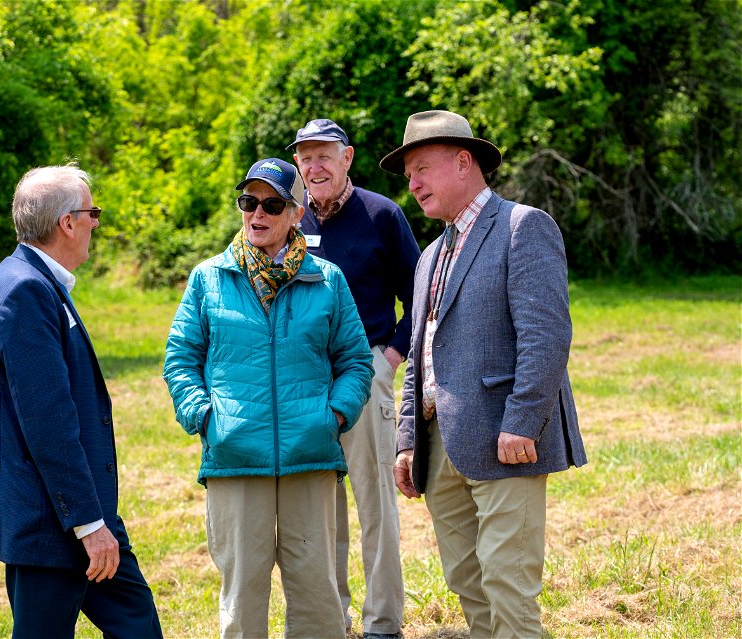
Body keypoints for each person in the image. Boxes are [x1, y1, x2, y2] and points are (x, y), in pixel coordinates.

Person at [380, 111, 587, 639]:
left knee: (506, 584)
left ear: (464, 162)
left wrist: (522, 420)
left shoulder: (523, 226)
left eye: (422, 169)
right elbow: (420, 350)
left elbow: (546, 336)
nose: (413, 184)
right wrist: (407, 439)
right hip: (438, 443)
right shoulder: (429, 256)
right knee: (467, 581)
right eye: (408, 175)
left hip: (505, 440)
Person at [162, 158, 374, 639]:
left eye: (272, 205)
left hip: (311, 454)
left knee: (318, 593)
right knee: (242, 597)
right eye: (248, 202)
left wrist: (334, 415)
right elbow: (180, 361)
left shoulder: (327, 279)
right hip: (235, 456)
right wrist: (205, 417)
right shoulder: (208, 279)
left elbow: (356, 361)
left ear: (297, 212)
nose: (257, 214)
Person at [0, 164, 162, 639]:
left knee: (137, 623)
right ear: (67, 223)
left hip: (74, 516)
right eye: (91, 212)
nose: (97, 222)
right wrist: (90, 525)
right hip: (53, 524)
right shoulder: (25, 290)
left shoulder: (28, 279)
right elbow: (47, 422)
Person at [287, 118, 419, 639]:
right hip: (305, 379)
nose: (314, 167)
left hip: (365, 369)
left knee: (375, 501)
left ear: (348, 158)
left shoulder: (381, 214)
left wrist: (389, 359)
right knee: (321, 504)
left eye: (325, 156)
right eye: (305, 157)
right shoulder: (288, 216)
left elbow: (422, 296)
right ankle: (330, 619)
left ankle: (383, 621)